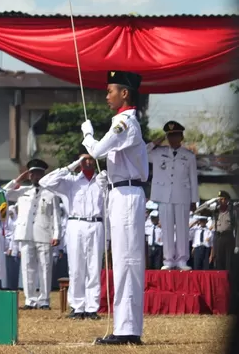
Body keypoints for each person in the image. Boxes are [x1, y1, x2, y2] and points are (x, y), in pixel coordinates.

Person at [81, 70, 148, 346]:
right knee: (121, 259)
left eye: (111, 90)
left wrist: (87, 135)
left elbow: (97, 150)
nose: (106, 95)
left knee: (128, 261)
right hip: (120, 191)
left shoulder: (124, 122)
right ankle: (124, 326)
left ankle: (128, 329)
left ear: (125, 93)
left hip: (128, 194)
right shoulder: (123, 122)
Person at [38, 145, 106, 320]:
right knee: (76, 267)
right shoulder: (70, 181)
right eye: (84, 159)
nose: (88, 161)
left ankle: (92, 307)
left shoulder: (102, 181)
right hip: (76, 224)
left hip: (96, 224)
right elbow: (44, 182)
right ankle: (77, 307)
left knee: (94, 267)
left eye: (91, 158)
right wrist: (72, 166)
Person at [4, 159, 61, 310]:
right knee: (27, 267)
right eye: (33, 173)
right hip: (25, 234)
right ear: (29, 175)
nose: (36, 176)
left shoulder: (51, 193)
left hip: (44, 233)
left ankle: (44, 300)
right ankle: (30, 300)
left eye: (39, 173)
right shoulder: (22, 191)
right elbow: (4, 193)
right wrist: (18, 179)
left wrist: (57, 234)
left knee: (45, 267)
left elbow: (56, 215)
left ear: (44, 174)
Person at [146, 121, 198, 270]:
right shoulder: (157, 152)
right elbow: (143, 153)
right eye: (169, 135)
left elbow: (193, 179)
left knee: (182, 228)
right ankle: (168, 260)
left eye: (175, 135)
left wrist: (194, 200)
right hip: (164, 195)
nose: (172, 138)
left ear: (181, 137)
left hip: (183, 194)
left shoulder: (188, 156)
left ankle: (182, 260)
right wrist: (156, 142)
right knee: (167, 228)